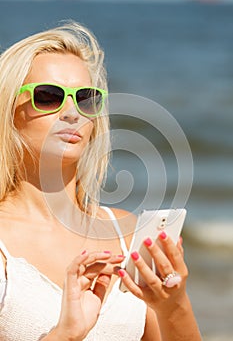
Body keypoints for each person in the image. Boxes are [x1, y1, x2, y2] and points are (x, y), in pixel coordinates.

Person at [0, 21, 201, 341]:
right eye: (49, 96)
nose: (71, 112)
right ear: (9, 111)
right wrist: (65, 334)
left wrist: (173, 306)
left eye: (85, 98)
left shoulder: (128, 234)